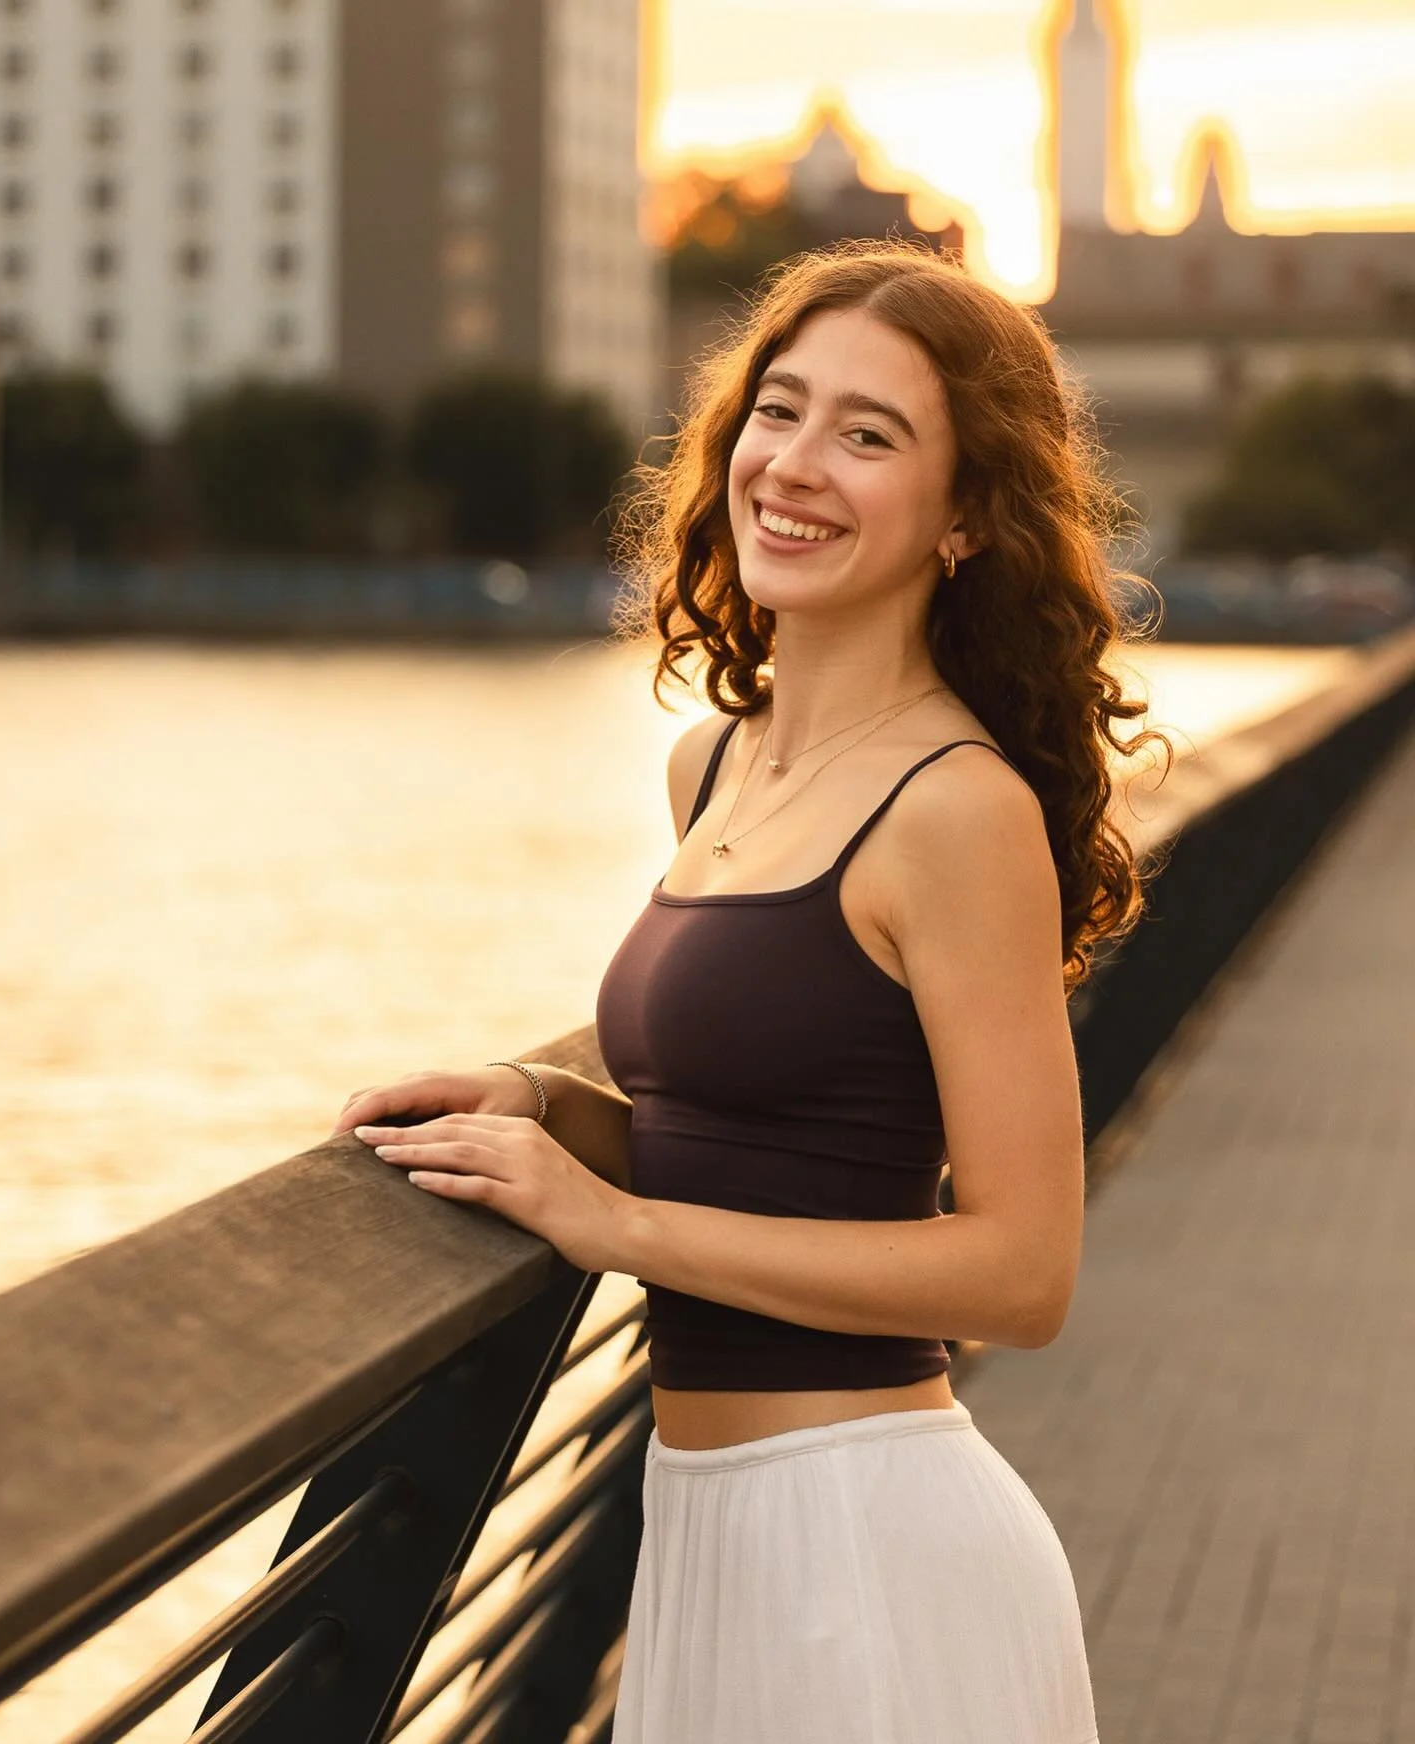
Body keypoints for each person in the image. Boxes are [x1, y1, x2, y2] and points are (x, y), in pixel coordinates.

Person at [333, 239, 1172, 1742]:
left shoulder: (955, 808)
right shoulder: (711, 765)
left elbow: (1020, 1274)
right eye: (779, 410)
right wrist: (548, 1109)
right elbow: (764, 1145)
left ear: (969, 517)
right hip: (707, 1536)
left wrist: (619, 1227)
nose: (794, 464)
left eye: (870, 435)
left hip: (871, 1547)